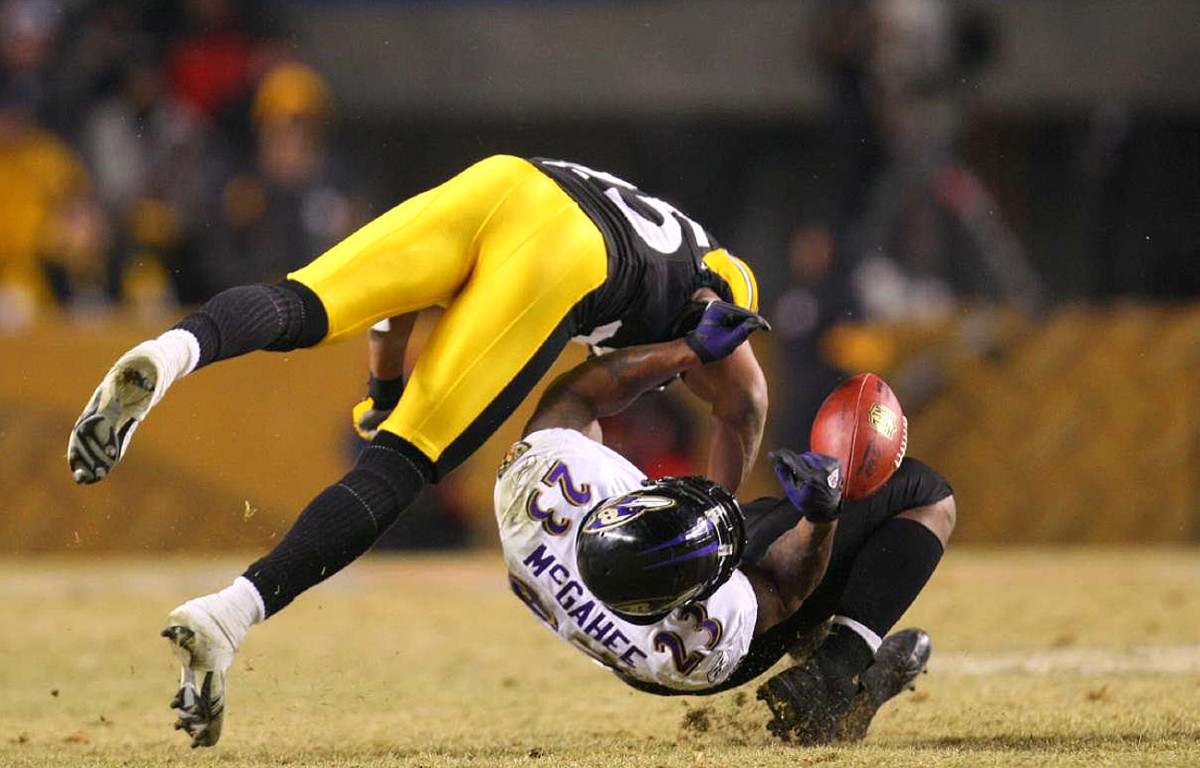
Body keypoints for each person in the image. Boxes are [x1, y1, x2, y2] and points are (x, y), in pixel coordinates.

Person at [65, 156, 767, 747]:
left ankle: (171, 350)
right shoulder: (717, 277)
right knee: (402, 465)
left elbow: (402, 301)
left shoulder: (655, 226)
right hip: (572, 254)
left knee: (303, 302)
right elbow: (746, 395)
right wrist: (720, 519)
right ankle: (229, 615)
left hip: (503, 181)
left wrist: (385, 384)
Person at [495, 323, 955, 744]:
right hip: (705, 646)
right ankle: (837, 675)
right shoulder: (707, 626)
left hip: (637, 633)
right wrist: (821, 515)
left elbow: (577, 394)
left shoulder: (535, 486)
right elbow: (786, 587)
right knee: (927, 494)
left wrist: (684, 351)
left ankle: (827, 653)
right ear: (698, 587)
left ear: (616, 509)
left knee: (785, 555)